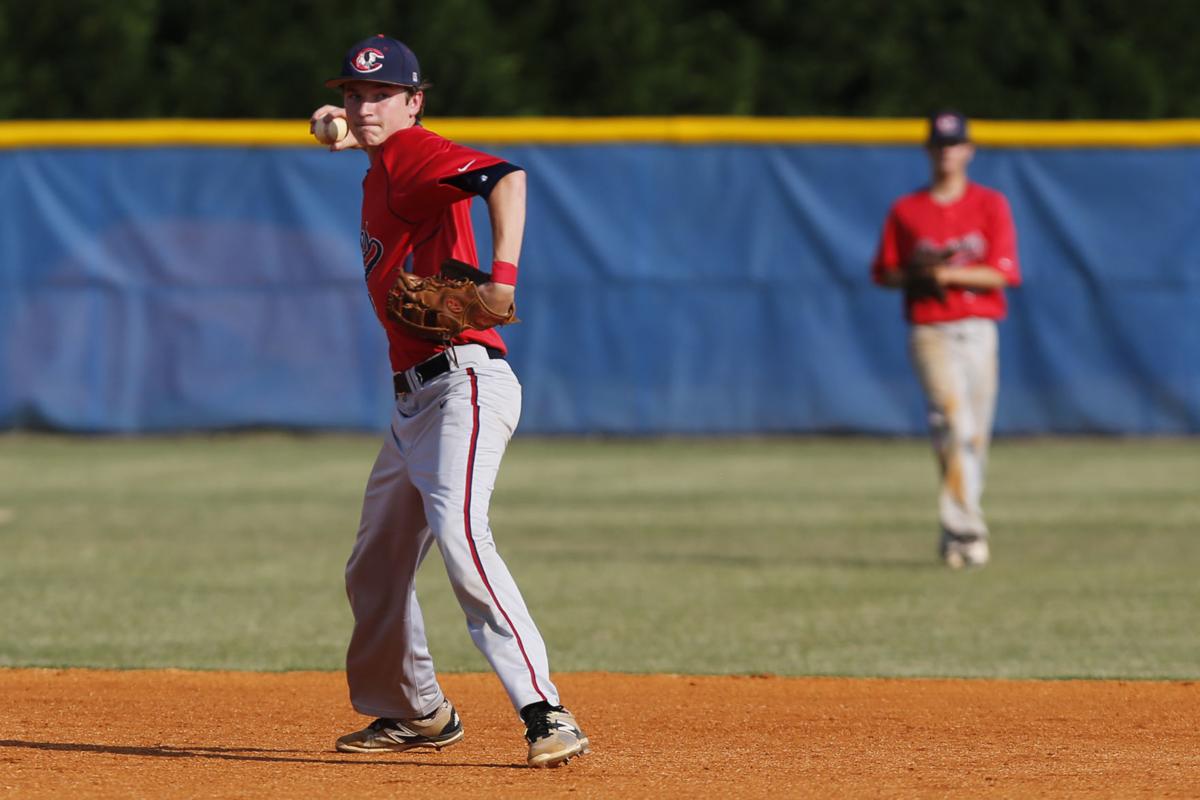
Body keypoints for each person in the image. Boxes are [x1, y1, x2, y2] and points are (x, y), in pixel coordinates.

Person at [309, 34, 589, 767]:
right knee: (374, 566)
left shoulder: (412, 151)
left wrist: (502, 278)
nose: (364, 107)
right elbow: (360, 135)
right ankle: (417, 712)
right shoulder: (384, 159)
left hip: (463, 383)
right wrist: (340, 130)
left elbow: (507, 178)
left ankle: (546, 711)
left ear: (415, 102)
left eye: (381, 96)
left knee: (462, 537)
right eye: (354, 94)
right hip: (414, 402)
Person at [870, 110, 1022, 569]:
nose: (947, 152)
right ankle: (965, 528)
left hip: (978, 328)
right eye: (940, 144)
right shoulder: (907, 210)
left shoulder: (990, 204)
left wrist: (945, 274)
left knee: (973, 435)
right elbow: (884, 272)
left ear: (968, 150)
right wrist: (913, 276)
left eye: (954, 144)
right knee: (951, 423)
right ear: (928, 150)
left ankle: (957, 532)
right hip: (930, 328)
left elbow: (1002, 273)